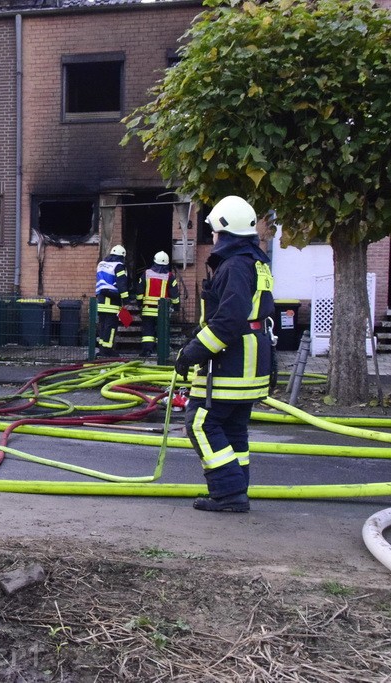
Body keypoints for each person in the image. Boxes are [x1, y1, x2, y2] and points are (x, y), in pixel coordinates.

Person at [174, 195, 274, 513]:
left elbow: (229, 321)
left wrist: (192, 353)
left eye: (214, 232)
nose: (213, 238)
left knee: (200, 422)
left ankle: (229, 491)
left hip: (231, 363)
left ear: (225, 232)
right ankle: (237, 488)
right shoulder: (253, 263)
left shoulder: (234, 266)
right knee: (232, 428)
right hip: (251, 359)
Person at [135, 250, 180, 358]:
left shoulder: (146, 274)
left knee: (148, 331)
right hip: (162, 310)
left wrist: (139, 303)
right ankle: (161, 352)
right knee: (162, 330)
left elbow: (139, 290)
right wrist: (176, 306)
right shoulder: (170, 276)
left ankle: (147, 351)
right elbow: (175, 294)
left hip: (147, 309)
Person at [95, 244, 130, 357]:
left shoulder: (101, 264)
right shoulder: (119, 266)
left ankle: (102, 349)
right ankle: (108, 350)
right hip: (112, 301)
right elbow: (122, 283)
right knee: (111, 328)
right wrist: (126, 299)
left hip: (100, 300)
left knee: (103, 326)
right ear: (122, 256)